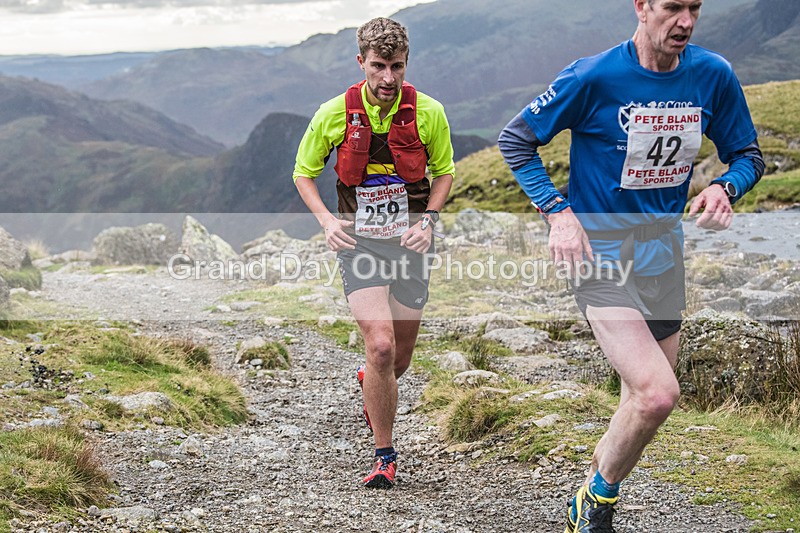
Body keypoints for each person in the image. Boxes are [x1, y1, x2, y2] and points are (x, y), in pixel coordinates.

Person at [498, 0, 764, 531]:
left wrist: (724, 187)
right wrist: (558, 213)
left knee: (637, 401)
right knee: (659, 393)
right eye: (672, 7)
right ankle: (597, 499)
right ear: (641, 7)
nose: (684, 21)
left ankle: (592, 491)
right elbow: (516, 140)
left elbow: (748, 154)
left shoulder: (713, 75)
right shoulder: (594, 76)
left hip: (661, 253)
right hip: (598, 253)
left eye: (694, 8)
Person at [293, 17, 455, 489]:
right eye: (379, 66)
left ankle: (372, 378)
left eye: (397, 67)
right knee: (381, 344)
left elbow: (443, 173)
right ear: (361, 62)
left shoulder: (429, 112)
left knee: (397, 360)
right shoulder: (333, 113)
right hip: (360, 243)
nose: (388, 78)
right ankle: (385, 455)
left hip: (411, 244)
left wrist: (428, 221)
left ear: (407, 64)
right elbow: (303, 172)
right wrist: (326, 221)